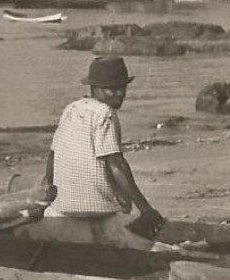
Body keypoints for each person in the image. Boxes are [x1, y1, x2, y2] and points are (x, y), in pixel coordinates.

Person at [38, 55, 165, 248]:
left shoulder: (71, 109)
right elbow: (115, 164)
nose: (120, 94)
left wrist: (50, 195)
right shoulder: (105, 114)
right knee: (127, 216)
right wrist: (146, 209)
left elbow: (53, 156)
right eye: (112, 89)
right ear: (95, 88)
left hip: (63, 206)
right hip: (95, 208)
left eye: (122, 88)